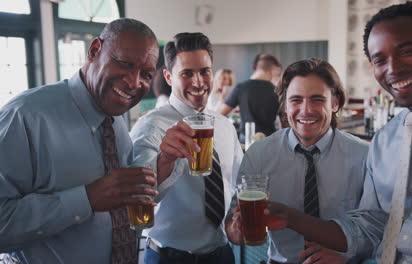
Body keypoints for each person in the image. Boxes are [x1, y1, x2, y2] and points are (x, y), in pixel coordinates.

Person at [267, 2, 412, 263]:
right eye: (380, 60)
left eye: (406, 51)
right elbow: (374, 225)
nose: (393, 69)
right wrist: (289, 217)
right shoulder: (385, 141)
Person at [0, 18, 159, 263]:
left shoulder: (116, 123)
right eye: (125, 64)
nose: (135, 82)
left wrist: (164, 170)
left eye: (146, 75)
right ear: (95, 50)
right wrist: (87, 199)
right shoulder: (24, 117)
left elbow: (121, 212)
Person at [225, 58, 369, 264]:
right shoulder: (259, 154)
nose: (306, 110)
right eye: (296, 100)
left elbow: (378, 230)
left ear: (335, 102)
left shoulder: (364, 155)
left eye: (317, 99)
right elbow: (232, 221)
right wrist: (236, 230)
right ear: (284, 105)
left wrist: (350, 259)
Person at [130, 32, 243, 264]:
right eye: (187, 74)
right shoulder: (150, 126)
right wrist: (166, 160)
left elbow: (238, 184)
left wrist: (235, 222)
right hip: (169, 257)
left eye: (204, 71)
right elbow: (138, 197)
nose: (199, 82)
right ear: (169, 77)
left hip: (221, 254)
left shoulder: (224, 125)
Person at [218, 54, 281, 143]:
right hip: (270, 140)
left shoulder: (241, 88)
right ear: (272, 70)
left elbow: (219, 114)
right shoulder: (276, 91)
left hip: (246, 139)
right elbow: (285, 121)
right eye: (277, 74)